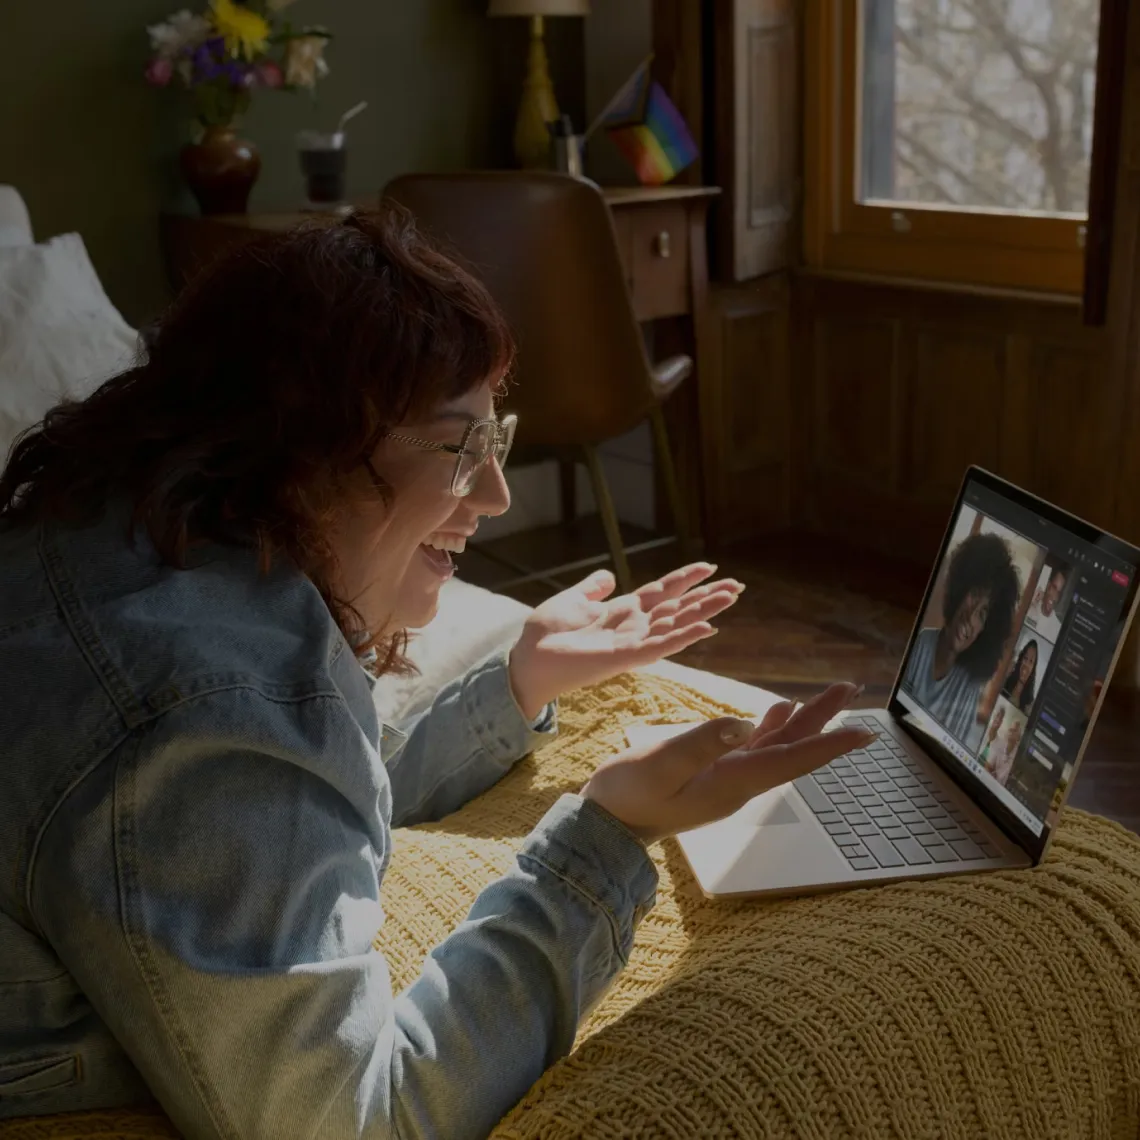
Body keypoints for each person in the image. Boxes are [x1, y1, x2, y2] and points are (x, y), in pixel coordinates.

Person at [0, 208, 874, 1138]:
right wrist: (611, 835)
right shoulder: (208, 715)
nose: (495, 494)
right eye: (463, 448)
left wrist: (518, 684)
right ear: (306, 451)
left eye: (496, 440)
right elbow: (356, 1122)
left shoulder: (116, 526)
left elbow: (289, 798)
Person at [902, 530, 1021, 744]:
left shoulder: (968, 687)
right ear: (961, 589)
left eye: (983, 613)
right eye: (974, 595)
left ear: (985, 630)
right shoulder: (921, 644)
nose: (971, 616)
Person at [1026, 564, 1068, 642]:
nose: (1055, 596)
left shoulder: (1057, 629)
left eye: (1058, 593)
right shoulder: (1031, 607)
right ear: (1048, 586)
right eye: (1054, 588)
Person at [1001, 638, 1039, 712]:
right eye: (1025, 658)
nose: (1026, 664)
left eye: (1031, 661)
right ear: (1021, 659)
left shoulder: (1030, 702)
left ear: (1033, 668)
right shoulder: (1006, 680)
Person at [985, 718, 1025, 785]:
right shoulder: (999, 745)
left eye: (1014, 731)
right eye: (1010, 730)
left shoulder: (1019, 757)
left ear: (1019, 737)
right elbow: (987, 766)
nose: (1011, 732)